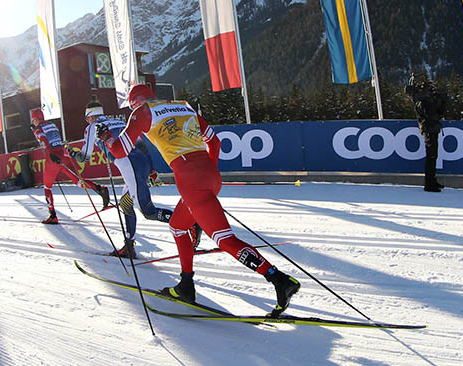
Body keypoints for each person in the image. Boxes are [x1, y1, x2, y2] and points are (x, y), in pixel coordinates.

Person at [99, 83, 300, 316]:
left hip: (191, 179)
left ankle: (278, 280)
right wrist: (206, 174)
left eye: (131, 105)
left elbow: (119, 150)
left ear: (135, 102)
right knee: (177, 225)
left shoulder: (143, 112)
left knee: (225, 240)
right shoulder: (182, 107)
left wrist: (105, 136)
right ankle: (186, 284)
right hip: (209, 173)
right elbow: (215, 142)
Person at [73, 99, 178, 258]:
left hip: (131, 167)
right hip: (142, 162)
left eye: (87, 119)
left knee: (148, 211)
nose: (88, 121)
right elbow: (141, 144)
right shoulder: (119, 121)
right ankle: (128, 246)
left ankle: (188, 222)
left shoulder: (92, 128)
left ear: (90, 117)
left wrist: (70, 153)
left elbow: (84, 158)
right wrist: (151, 168)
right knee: (126, 204)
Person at [30, 120, 109, 225]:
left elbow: (44, 139)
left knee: (47, 187)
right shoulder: (52, 124)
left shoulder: (38, 128)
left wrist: (36, 131)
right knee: (77, 181)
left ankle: (53, 216)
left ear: (35, 119)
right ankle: (100, 189)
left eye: (33, 119)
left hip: (52, 158)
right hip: (63, 154)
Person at [405, 71, 447, 192]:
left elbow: (437, 113)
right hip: (429, 128)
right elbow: (432, 115)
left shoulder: (424, 100)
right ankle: (429, 183)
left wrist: (441, 102)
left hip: (431, 128)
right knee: (431, 156)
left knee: (433, 156)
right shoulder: (423, 101)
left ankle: (432, 180)